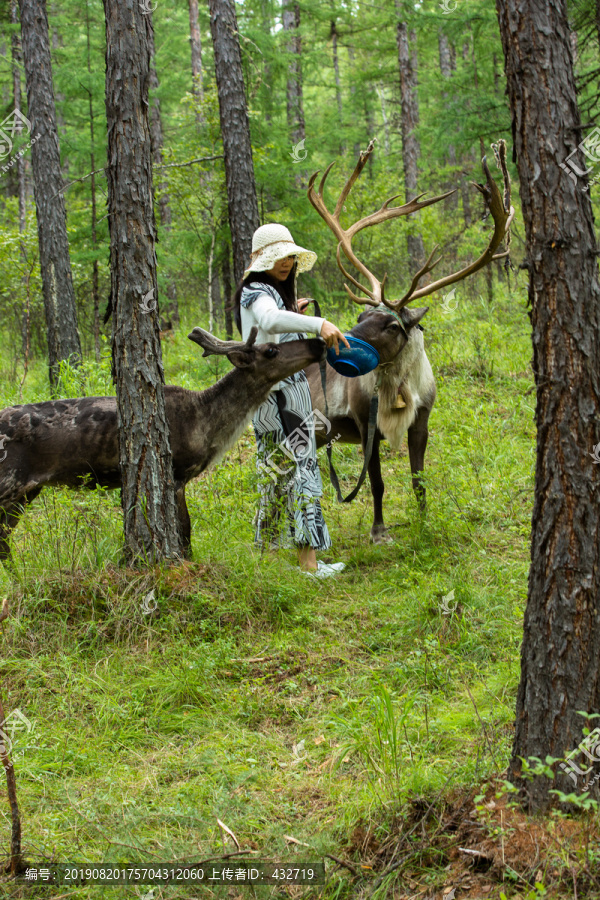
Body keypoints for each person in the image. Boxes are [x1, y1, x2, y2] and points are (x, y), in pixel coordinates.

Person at [232, 223, 350, 576]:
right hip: (282, 395)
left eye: (289, 256)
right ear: (262, 260)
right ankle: (309, 565)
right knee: (300, 467)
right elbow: (268, 319)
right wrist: (318, 324)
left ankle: (268, 560)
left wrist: (296, 316)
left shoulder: (264, 291)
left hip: (272, 392)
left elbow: (271, 330)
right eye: (278, 256)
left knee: (275, 469)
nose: (286, 262)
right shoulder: (257, 291)